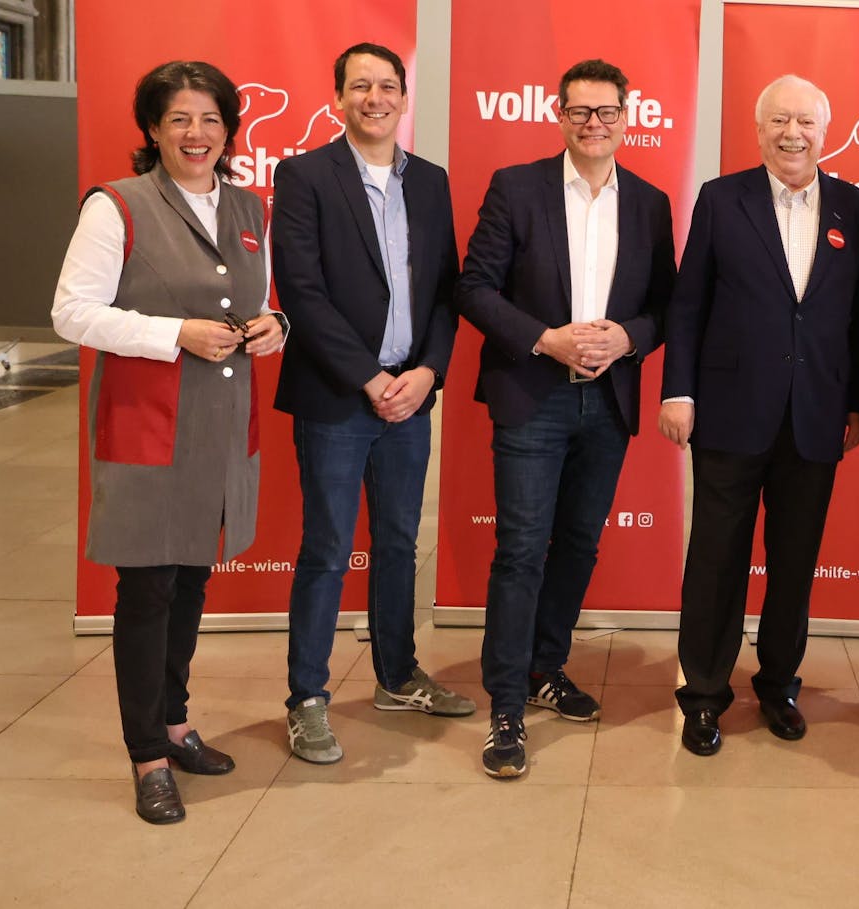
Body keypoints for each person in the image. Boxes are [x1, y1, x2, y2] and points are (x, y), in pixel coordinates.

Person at [51, 60, 286, 823]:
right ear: (152, 129)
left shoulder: (251, 205)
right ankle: (147, 753)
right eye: (180, 119)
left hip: (218, 431)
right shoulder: (116, 206)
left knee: (190, 584)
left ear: (229, 130)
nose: (197, 134)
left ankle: (177, 722)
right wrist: (173, 334)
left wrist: (274, 327)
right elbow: (72, 313)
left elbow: (264, 299)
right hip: (148, 427)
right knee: (147, 592)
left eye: (211, 119)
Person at [457, 59, 675, 779]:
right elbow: (474, 287)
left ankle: (546, 665)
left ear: (626, 116)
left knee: (579, 542)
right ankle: (506, 704)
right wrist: (544, 338)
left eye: (606, 112)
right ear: (559, 114)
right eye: (580, 111)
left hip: (607, 402)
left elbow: (668, 305)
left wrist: (630, 337)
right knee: (521, 548)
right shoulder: (516, 189)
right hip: (533, 393)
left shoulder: (649, 202)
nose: (593, 124)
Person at [659, 74, 859, 757]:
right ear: (758, 131)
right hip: (728, 412)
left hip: (815, 417)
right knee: (717, 557)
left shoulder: (856, 208)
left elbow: (857, 317)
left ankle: (779, 682)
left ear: (825, 131)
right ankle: (703, 695)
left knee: (794, 559)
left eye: (806, 122)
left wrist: (854, 403)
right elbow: (688, 304)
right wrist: (679, 391)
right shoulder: (723, 199)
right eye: (779, 120)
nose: (792, 134)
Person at [272, 42, 470, 766]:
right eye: (361, 86)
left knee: (396, 541)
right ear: (338, 98)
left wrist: (426, 373)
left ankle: (396, 675)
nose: (376, 97)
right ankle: (307, 700)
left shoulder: (431, 181)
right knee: (326, 548)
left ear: (403, 96)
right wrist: (368, 378)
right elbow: (302, 289)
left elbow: (447, 289)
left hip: (410, 396)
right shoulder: (303, 176)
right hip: (336, 397)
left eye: (388, 85)